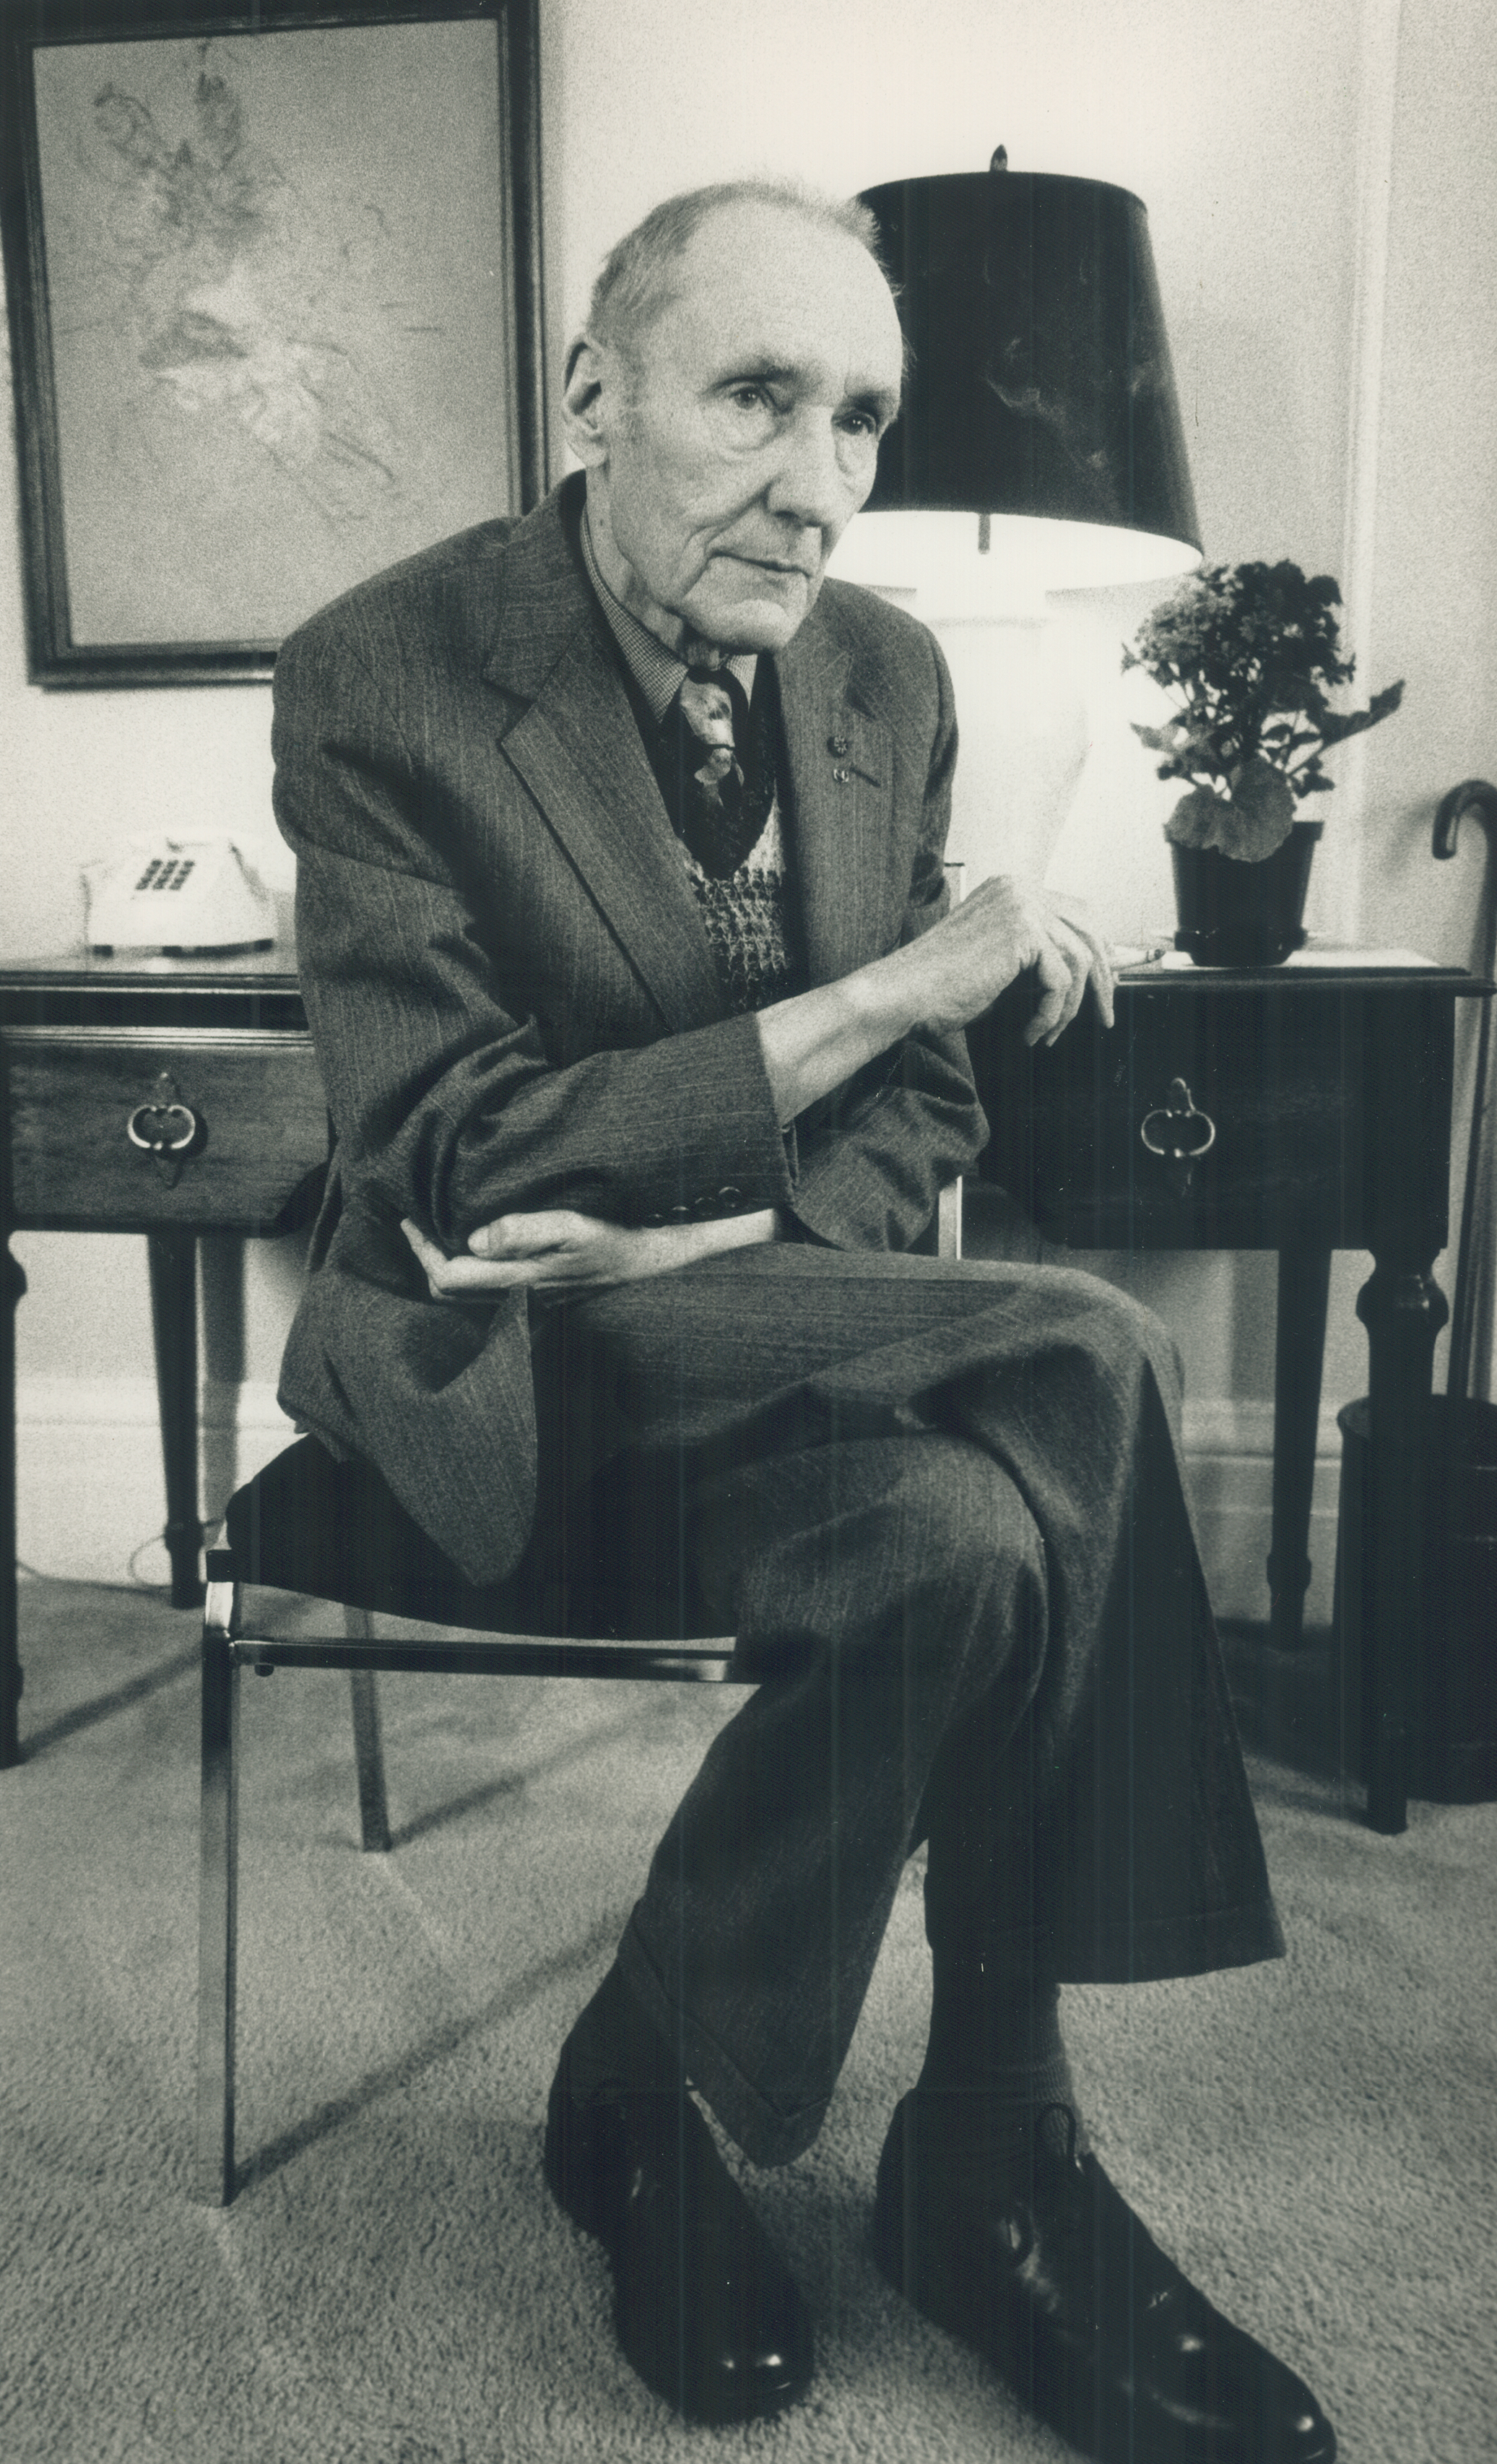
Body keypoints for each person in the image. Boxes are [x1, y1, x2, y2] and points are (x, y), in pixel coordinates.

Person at [269, 178, 1336, 2461]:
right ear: (594, 392)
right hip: (494, 1367)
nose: (819, 479)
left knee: (959, 1541)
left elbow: (920, 1110)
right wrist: (875, 995)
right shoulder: (382, 674)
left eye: (862, 414)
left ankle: (645, 2090)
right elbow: (463, 1165)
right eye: (756, 395)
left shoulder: (887, 674)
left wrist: (705, 1218)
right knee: (1084, 1352)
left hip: (750, 1323)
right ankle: (1007, 2137)